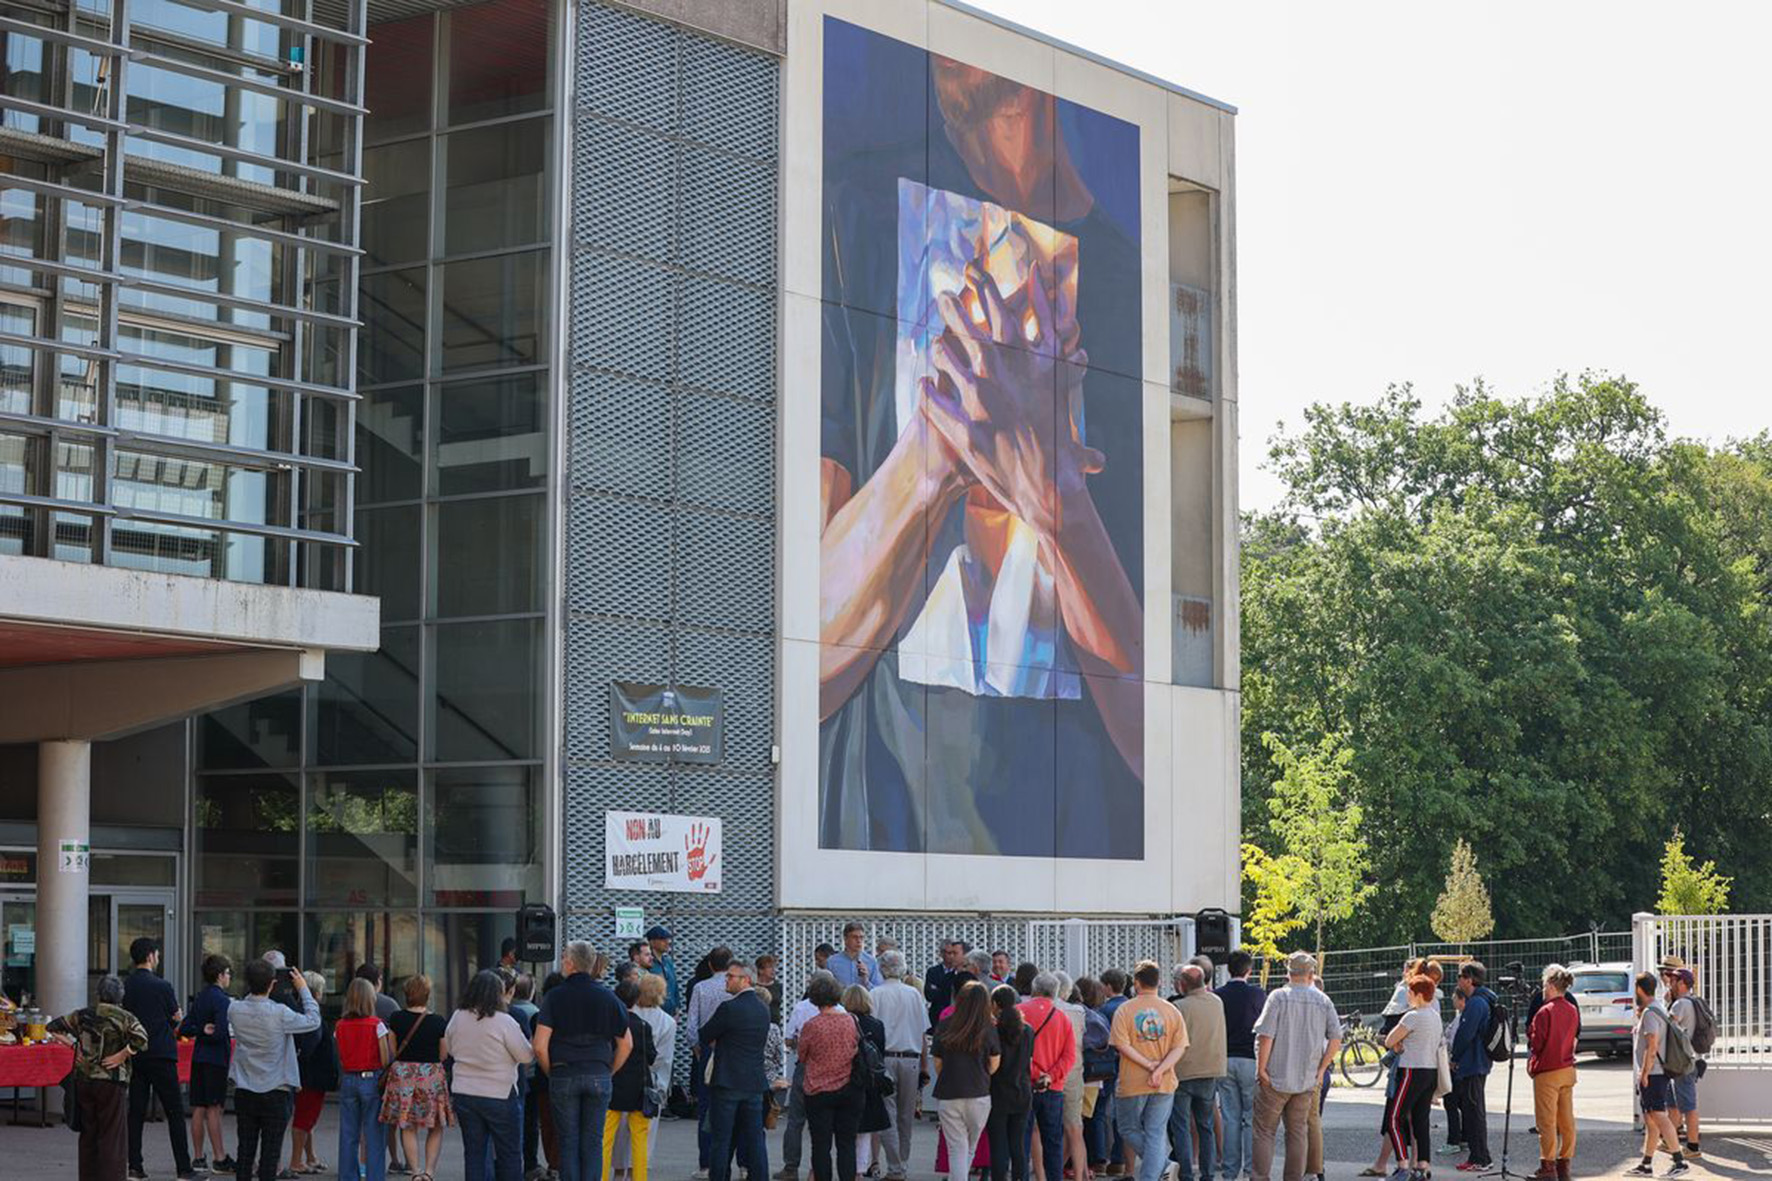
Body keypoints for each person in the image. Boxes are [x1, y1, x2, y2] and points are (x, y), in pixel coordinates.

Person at [534, 940, 635, 1181]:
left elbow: (539, 1045)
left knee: (567, 1141)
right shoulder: (609, 998)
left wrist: (551, 1072)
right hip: (598, 1072)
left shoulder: (554, 997)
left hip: (563, 1071)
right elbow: (627, 1043)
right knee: (593, 1140)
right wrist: (609, 1070)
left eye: (563, 958)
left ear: (570, 963)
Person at [230, 957, 323, 1181]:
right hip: (276, 1090)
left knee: (245, 1152)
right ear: (272, 984)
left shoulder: (234, 1009)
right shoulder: (280, 1013)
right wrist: (303, 990)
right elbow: (313, 1020)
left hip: (244, 1089)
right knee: (270, 1156)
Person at [1250, 952, 1340, 1181]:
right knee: (1298, 1132)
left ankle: (1260, 1177)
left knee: (1264, 1132)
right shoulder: (1323, 1000)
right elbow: (1336, 1038)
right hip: (1306, 1080)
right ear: (1311, 974)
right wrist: (1321, 1070)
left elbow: (1266, 1036)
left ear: (1288, 972)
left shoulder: (1278, 997)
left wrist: (1261, 1069)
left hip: (1275, 1078)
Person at [51, 974, 150, 1180]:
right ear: (120, 995)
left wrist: (73, 1046)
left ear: (99, 994)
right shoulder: (125, 1017)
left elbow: (53, 1027)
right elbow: (142, 1039)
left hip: (84, 1078)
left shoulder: (84, 1014)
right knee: (112, 1135)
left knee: (89, 1133)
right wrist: (122, 1055)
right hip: (111, 1080)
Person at [446, 970, 535, 1181]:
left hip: (465, 1093)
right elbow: (525, 1056)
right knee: (509, 1155)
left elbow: (449, 1047)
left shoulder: (458, 1017)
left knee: (474, 1154)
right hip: (500, 1095)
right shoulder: (504, 1021)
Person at [123, 936, 193, 1181]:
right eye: (157, 954)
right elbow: (175, 1017)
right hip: (162, 1054)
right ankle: (184, 1168)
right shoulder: (162, 986)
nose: (159, 958)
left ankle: (135, 1166)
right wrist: (176, 1017)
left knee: (136, 1112)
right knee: (174, 1112)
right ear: (151, 956)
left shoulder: (127, 985)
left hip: (136, 1055)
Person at [1110, 962, 1186, 1181]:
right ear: (1159, 982)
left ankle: (1160, 1168)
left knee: (1127, 1128)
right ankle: (1161, 1166)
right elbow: (1179, 1047)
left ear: (1135, 983)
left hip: (1132, 1081)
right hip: (1165, 1081)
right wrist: (1159, 1068)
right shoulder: (1172, 1010)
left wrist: (1149, 1065)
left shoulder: (1124, 1010)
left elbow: (1122, 1045)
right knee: (1155, 1132)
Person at [701, 961, 772, 1181]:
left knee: (721, 1139)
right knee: (755, 1139)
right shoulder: (763, 1009)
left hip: (728, 1081)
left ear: (746, 980)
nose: (727, 980)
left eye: (731, 976)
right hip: (753, 1082)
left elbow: (705, 1034)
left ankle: (719, 1176)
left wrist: (720, 1041)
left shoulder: (728, 1008)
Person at [382, 974, 455, 1181]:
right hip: (430, 1077)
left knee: (407, 1125)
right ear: (427, 996)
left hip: (403, 1076)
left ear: (406, 995)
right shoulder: (438, 1021)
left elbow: (392, 1050)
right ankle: (429, 1172)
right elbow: (443, 1054)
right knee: (435, 1126)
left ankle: (414, 1172)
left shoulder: (396, 1018)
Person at [778, 969, 846, 1181]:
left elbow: (789, 1040)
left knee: (796, 1120)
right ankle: (818, 1169)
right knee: (826, 1123)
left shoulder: (800, 1008)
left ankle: (790, 1167)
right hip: (835, 1071)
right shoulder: (842, 1011)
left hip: (805, 1067)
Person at [932, 980, 1002, 1181]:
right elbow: (994, 1063)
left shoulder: (945, 1025)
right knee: (970, 1146)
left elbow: (938, 1063)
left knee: (956, 1148)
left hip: (948, 1093)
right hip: (979, 1093)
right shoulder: (988, 1028)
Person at [797, 973, 864, 1181]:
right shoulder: (851, 1021)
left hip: (818, 1090)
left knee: (821, 1145)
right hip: (850, 1088)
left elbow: (802, 1055)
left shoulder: (812, 1025)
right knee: (846, 1143)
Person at [870, 950, 931, 1181]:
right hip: (911, 1059)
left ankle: (896, 1167)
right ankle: (901, 1165)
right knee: (906, 1117)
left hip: (884, 1058)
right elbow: (923, 1032)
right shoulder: (914, 994)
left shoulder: (875, 994)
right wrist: (924, 1064)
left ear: (882, 968)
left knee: (887, 1113)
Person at [1379, 975, 1442, 1181]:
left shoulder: (1412, 1016)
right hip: (1430, 1071)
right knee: (1421, 1120)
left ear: (1419, 995)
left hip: (1411, 1071)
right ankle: (1422, 1167)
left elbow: (1389, 1040)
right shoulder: (1435, 1016)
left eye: (1411, 991)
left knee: (1394, 1118)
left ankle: (1402, 1165)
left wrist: (1398, 1043)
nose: (1408, 995)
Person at [334, 977, 396, 1181]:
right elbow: (385, 1057)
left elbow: (340, 1054)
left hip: (348, 1080)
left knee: (348, 1134)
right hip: (371, 1080)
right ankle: (374, 1177)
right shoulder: (376, 1024)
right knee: (374, 1136)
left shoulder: (340, 1025)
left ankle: (347, 1177)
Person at [1169, 965, 1226, 1181]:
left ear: (1182, 984)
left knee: (1181, 1126)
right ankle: (1208, 1174)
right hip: (1210, 1071)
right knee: (1206, 1126)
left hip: (1183, 1072)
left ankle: (1186, 1173)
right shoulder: (1217, 1002)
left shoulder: (1179, 1007)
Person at [180, 953, 235, 1177]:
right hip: (216, 1059)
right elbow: (222, 1031)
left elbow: (184, 1027)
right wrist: (212, 1031)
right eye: (228, 973)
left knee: (198, 1108)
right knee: (214, 1108)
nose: (229, 977)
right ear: (221, 975)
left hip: (199, 1057)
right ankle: (220, 1157)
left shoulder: (201, 997)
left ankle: (198, 1156)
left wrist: (201, 1030)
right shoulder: (222, 1000)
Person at [1627, 972, 1687, 1178]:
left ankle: (1679, 1161)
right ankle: (1646, 1164)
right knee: (1651, 1120)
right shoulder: (1657, 1009)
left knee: (1659, 1117)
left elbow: (1651, 1046)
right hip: (1657, 1073)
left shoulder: (1650, 1013)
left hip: (1653, 1074)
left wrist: (1643, 1073)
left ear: (1639, 989)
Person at [599, 978, 659, 1181]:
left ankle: (601, 1177)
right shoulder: (643, 1026)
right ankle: (639, 1178)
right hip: (639, 1089)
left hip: (614, 1085)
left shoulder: (608, 1026)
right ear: (636, 1000)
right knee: (640, 1140)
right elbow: (651, 1057)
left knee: (605, 1138)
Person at [686, 946, 739, 1178]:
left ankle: (706, 1164)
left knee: (706, 1106)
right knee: (737, 1107)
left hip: (707, 1048)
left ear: (709, 965)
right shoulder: (735, 989)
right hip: (733, 1049)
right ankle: (742, 1164)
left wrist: (698, 1049)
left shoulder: (700, 987)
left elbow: (691, 1024)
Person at [1021, 973, 1079, 1181]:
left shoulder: (1019, 1012)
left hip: (1024, 1085)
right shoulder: (1063, 1018)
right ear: (1055, 993)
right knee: (1053, 1142)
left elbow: (1014, 1052)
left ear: (1033, 989)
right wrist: (1050, 1076)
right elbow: (1069, 1056)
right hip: (1052, 1088)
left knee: (1022, 1140)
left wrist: (1035, 1073)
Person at [354, 963, 409, 1177]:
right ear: (378, 981)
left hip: (353, 1069)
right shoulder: (388, 1004)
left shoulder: (349, 1005)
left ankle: (361, 1164)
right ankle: (390, 1160)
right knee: (387, 1120)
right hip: (381, 1071)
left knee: (357, 1124)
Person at [1526, 965, 1578, 1181]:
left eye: (1545, 985)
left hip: (1547, 1070)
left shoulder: (1544, 1012)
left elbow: (1536, 1043)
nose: (1543, 989)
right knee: (1566, 1120)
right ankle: (1564, 1164)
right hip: (1567, 1068)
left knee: (1546, 1122)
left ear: (1550, 985)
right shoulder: (1572, 1009)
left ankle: (1548, 1166)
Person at [1214, 951, 1262, 1181]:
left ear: (1228, 969)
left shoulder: (1217, 996)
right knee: (1251, 1118)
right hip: (1251, 1060)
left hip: (1224, 1059)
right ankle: (1251, 1171)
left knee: (1230, 1118)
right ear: (1249, 970)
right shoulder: (1258, 995)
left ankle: (1229, 1172)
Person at [291, 970, 340, 1177]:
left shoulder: (301, 1011)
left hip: (310, 1075)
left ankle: (310, 1156)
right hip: (311, 1076)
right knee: (304, 1119)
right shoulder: (311, 1015)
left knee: (308, 1118)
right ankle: (296, 1161)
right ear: (316, 992)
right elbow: (309, 1047)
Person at [1448, 963, 1496, 1172]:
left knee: (1474, 1112)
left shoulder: (1476, 1003)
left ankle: (1481, 1158)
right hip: (1478, 1062)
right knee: (1474, 1110)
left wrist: (1454, 1057)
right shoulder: (1485, 999)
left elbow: (1465, 1034)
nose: (1458, 980)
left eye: (1460, 976)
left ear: (1469, 979)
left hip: (1472, 1063)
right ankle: (1479, 1156)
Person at [986, 985, 1034, 1181]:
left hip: (998, 1093)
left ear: (995, 1004)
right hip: (1022, 1091)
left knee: (998, 1147)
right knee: (1018, 1146)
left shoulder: (994, 1031)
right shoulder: (1028, 1030)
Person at [842, 985, 891, 1176]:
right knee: (865, 1131)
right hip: (869, 1081)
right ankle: (860, 1171)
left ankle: (847, 1167)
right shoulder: (877, 1025)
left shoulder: (844, 1022)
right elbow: (880, 1053)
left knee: (847, 1131)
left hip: (847, 1078)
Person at [1053, 972, 1091, 1181]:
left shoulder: (1048, 1010)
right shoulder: (1078, 1012)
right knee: (1075, 1127)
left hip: (1050, 1072)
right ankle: (1080, 1175)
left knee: (1040, 1130)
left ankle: (1045, 1173)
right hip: (1075, 1071)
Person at [635, 973, 677, 1161]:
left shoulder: (627, 1013)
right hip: (651, 1081)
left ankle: (620, 1172)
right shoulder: (668, 1022)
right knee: (645, 1132)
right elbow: (664, 1058)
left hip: (624, 1077)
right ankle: (638, 1169)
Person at [1663, 967, 1701, 1158]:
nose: (1670, 984)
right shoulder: (1693, 1002)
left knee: (1688, 1106)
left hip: (1681, 1062)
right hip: (1689, 1058)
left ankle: (1693, 1147)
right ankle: (1671, 1142)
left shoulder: (1680, 1005)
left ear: (1682, 984)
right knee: (1674, 1103)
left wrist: (1666, 1005)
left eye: (1674, 981)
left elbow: (1666, 1027)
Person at [828, 923, 884, 989]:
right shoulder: (832, 962)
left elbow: (877, 990)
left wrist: (865, 980)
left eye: (861, 937)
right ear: (845, 939)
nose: (859, 941)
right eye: (854, 937)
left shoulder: (871, 962)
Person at [927, 941, 969, 1029]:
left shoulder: (971, 977)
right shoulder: (947, 977)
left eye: (955, 953)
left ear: (965, 955)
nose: (951, 957)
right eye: (950, 953)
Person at [643, 927, 680, 1017]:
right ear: (652, 942)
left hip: (671, 1013)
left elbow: (674, 986)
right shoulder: (648, 963)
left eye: (667, 939)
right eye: (662, 939)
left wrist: (677, 1008)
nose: (667, 942)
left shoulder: (668, 962)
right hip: (654, 1013)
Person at [758, 957, 785, 1025]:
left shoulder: (778, 986)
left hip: (774, 1024)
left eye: (774, 967)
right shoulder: (754, 987)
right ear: (761, 970)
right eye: (770, 967)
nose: (773, 970)